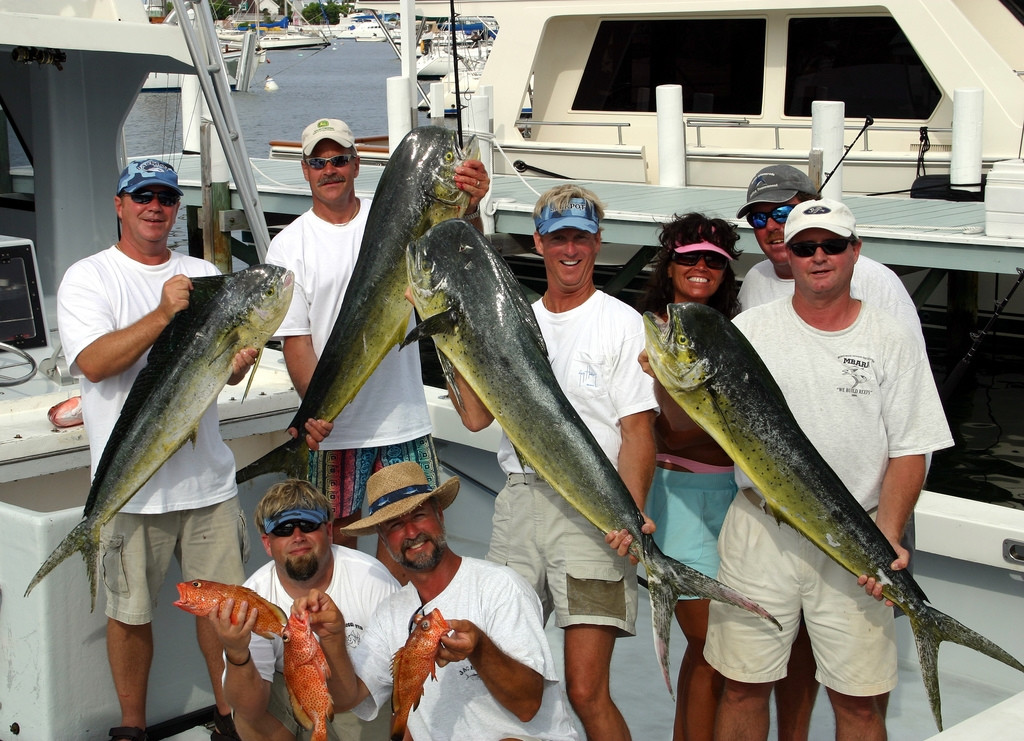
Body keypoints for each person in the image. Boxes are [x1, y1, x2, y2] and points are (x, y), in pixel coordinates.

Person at [703, 198, 953, 741]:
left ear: (855, 252)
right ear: (787, 257)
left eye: (832, 245)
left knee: (860, 701)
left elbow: (911, 447)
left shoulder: (891, 337)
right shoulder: (749, 329)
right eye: (804, 247)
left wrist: (886, 538)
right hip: (759, 528)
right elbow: (700, 419)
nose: (819, 257)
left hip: (855, 534)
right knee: (743, 685)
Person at [445, 184, 658, 740]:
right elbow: (473, 419)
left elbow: (638, 431)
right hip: (518, 503)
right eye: (558, 237)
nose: (570, 250)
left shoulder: (621, 322)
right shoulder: (513, 319)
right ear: (538, 242)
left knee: (586, 691)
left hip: (593, 515)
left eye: (581, 238)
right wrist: (453, 334)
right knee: (500, 675)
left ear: (598, 244)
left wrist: (630, 516)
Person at [56, 159, 257, 741]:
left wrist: (235, 363)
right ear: (118, 205)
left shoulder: (202, 271)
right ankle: (133, 729)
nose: (155, 206)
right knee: (130, 614)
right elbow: (94, 362)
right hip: (128, 489)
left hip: (207, 483)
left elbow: (218, 371)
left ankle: (229, 720)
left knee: (221, 613)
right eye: (141, 195)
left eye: (167, 197)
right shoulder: (89, 277)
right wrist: (165, 311)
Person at [264, 118, 491, 578]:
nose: (330, 170)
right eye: (319, 162)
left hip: (402, 419)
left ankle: (406, 643)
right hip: (335, 432)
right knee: (334, 558)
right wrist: (318, 411)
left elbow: (460, 249)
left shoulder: (393, 216)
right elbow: (297, 341)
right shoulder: (289, 245)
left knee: (413, 556)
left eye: (340, 159)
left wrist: (472, 205)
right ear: (305, 170)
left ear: (357, 164)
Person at [298, 462, 580, 740]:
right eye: (396, 525)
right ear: (383, 539)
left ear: (440, 517)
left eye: (418, 516)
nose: (411, 533)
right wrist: (333, 639)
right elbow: (348, 699)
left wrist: (479, 648)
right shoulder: (390, 613)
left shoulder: (500, 586)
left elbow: (528, 705)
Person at [635, 214, 742, 741]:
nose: (701, 267)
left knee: (724, 649)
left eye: (714, 260)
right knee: (710, 645)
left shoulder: (732, 330)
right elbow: (674, 431)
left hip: (732, 498)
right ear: (669, 265)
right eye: (689, 257)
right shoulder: (650, 328)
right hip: (677, 498)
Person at [208, 479, 399, 740]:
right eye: (284, 529)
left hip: (356, 695)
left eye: (308, 525)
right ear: (267, 543)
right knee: (248, 720)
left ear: (329, 531)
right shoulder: (254, 597)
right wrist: (236, 651)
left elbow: (357, 695)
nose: (297, 537)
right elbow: (248, 710)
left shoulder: (373, 580)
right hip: (288, 689)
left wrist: (333, 638)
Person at [736, 164, 924, 347]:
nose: (770, 225)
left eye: (783, 213)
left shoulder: (876, 280)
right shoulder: (755, 278)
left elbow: (909, 363)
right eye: (758, 218)